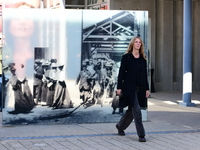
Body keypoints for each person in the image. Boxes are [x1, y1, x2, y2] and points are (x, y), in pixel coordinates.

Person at [115, 36, 150, 142]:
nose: (138, 44)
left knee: (131, 111)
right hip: (129, 88)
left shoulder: (143, 59)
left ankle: (120, 126)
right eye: (136, 42)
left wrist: (147, 89)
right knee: (137, 111)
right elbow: (121, 73)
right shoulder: (127, 57)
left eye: (140, 42)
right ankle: (141, 135)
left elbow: (145, 75)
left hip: (141, 88)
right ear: (132, 44)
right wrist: (119, 87)